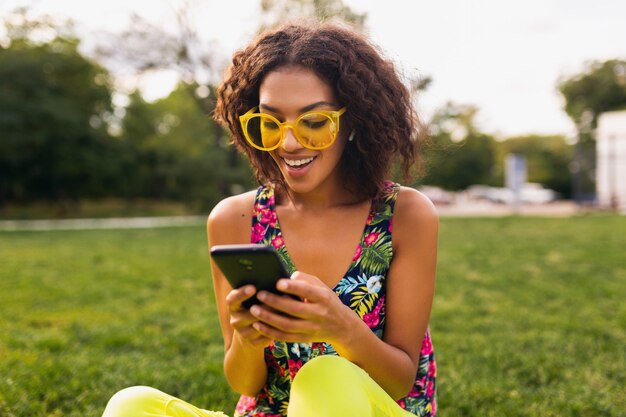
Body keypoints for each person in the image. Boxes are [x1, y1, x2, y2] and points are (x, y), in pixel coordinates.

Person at [102, 20, 438, 417]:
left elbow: (400, 380)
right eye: (270, 122)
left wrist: (341, 327)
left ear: (353, 121)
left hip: (372, 408)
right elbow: (246, 384)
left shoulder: (404, 215)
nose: (289, 142)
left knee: (324, 376)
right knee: (132, 405)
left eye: (314, 122)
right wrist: (248, 339)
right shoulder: (234, 218)